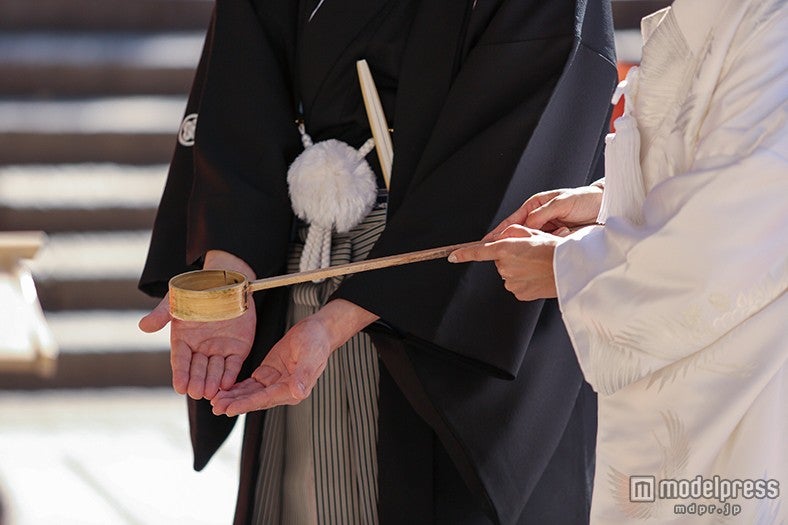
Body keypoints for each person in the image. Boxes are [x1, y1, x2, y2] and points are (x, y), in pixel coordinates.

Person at [138, 0, 617, 523]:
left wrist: (343, 317)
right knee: (306, 497)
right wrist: (227, 274)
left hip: (437, 312)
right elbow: (243, 81)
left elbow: (527, 113)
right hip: (304, 274)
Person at [450, 0, 787, 523]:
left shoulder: (771, 25)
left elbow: (737, 235)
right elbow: (706, 169)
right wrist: (610, 199)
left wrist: (568, 266)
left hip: (739, 387)